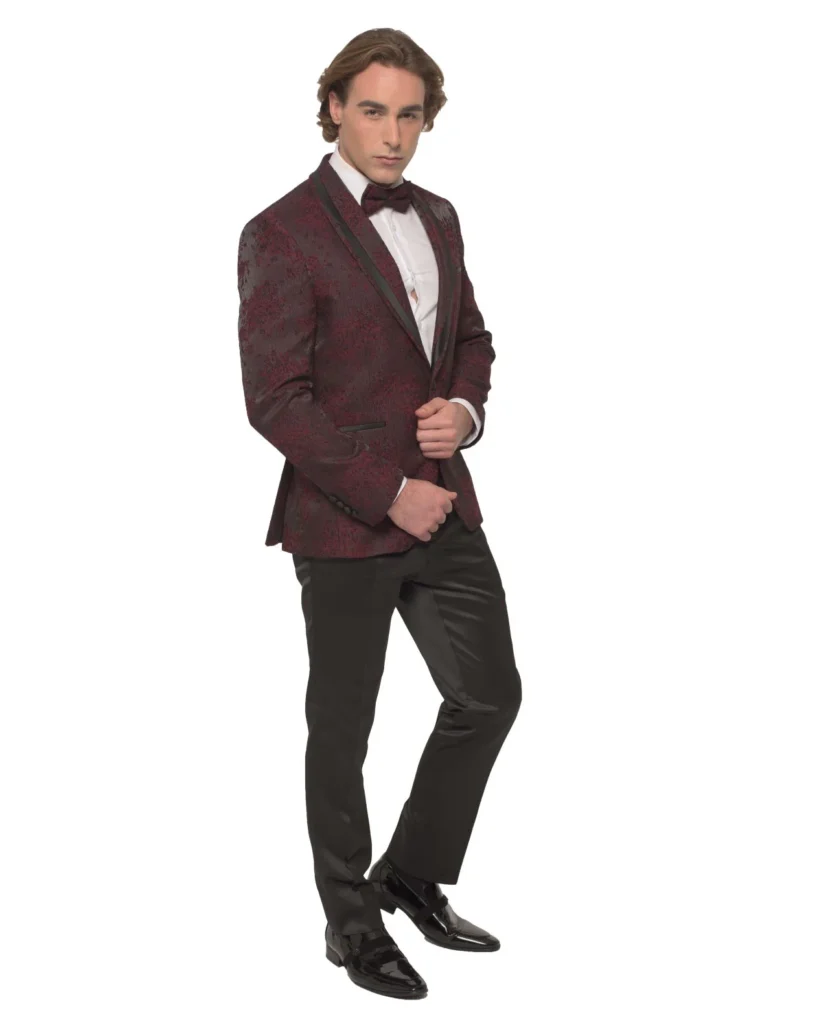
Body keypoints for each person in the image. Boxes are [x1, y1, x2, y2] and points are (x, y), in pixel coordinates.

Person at [237, 27, 522, 1001]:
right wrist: (386, 489)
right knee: (342, 728)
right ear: (333, 109)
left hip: (445, 508)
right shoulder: (280, 231)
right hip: (345, 517)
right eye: (372, 111)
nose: (393, 135)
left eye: (409, 115)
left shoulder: (438, 215)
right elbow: (276, 400)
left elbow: (471, 337)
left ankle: (411, 873)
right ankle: (351, 923)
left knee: (489, 695)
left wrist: (465, 411)